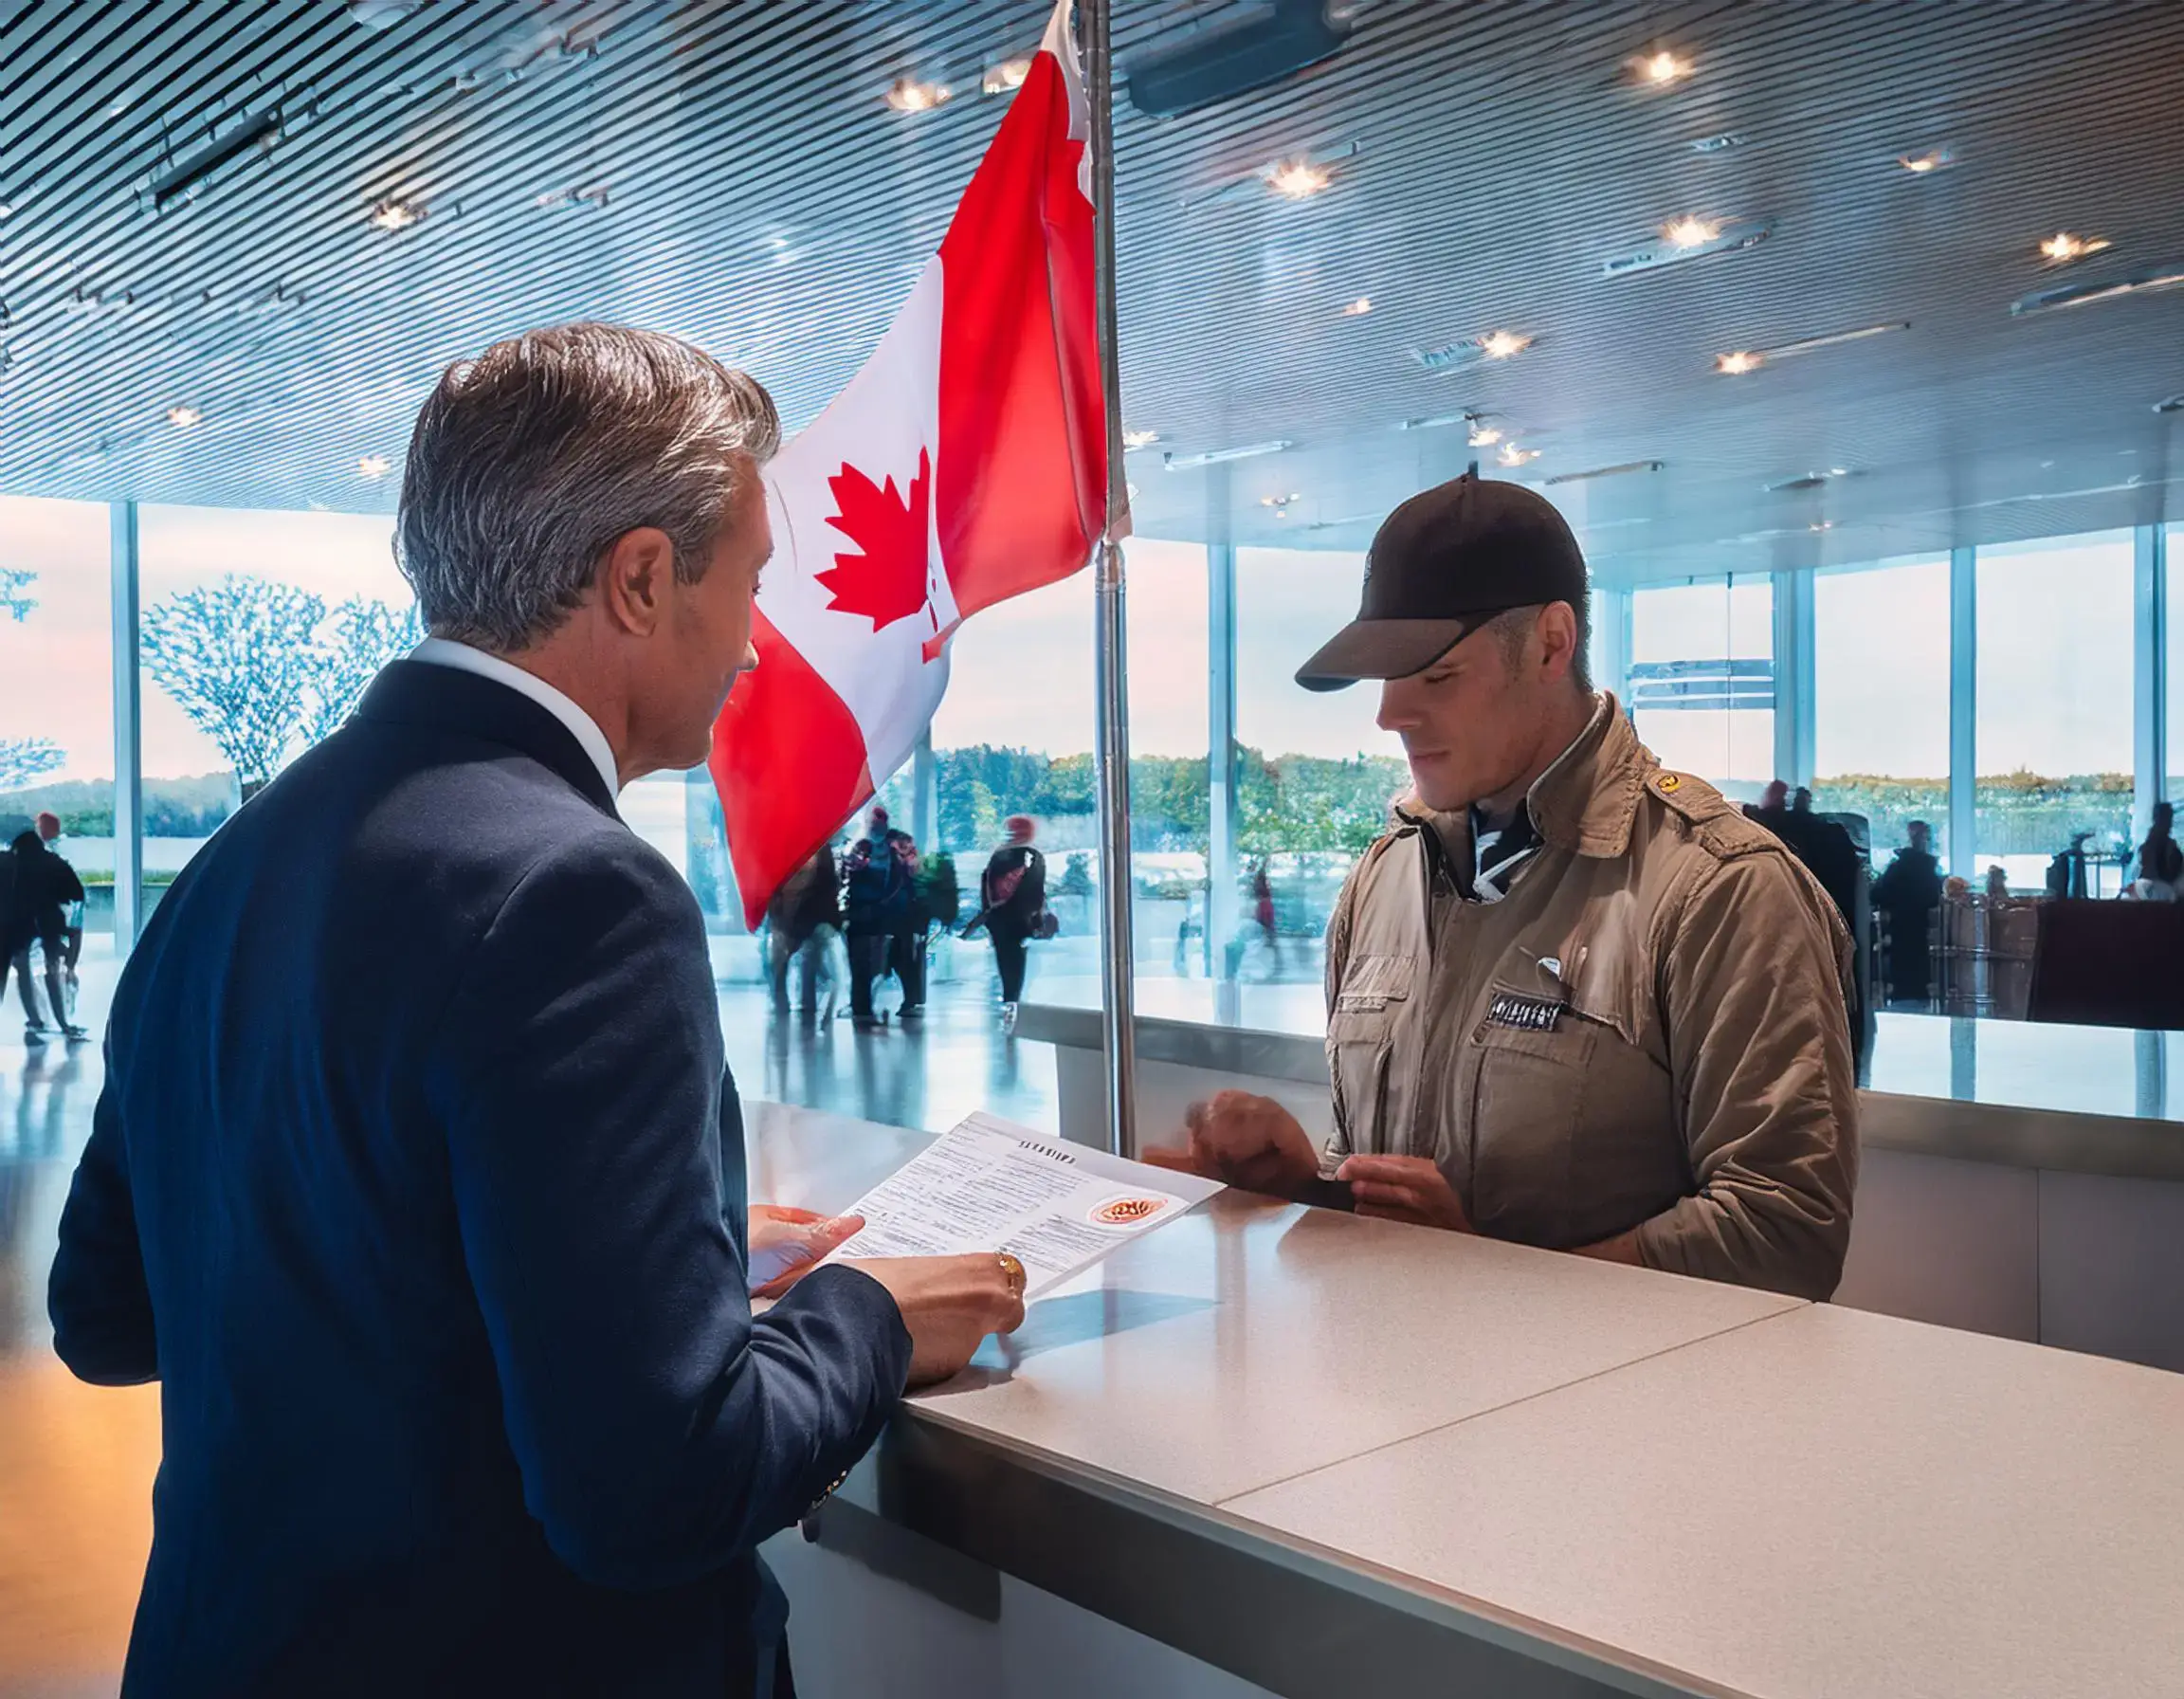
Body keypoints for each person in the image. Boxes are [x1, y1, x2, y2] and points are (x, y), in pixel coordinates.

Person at [47, 323, 1025, 1699]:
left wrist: (614, 1265)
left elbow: (108, 1313)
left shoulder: (232, 865)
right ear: (639, 578)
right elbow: (652, 1492)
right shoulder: (580, 895)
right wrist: (859, 1311)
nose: (754, 646)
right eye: (748, 584)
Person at [1155, 472, 1858, 1302]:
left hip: (1612, 1422)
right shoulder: (1383, 880)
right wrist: (1308, 1183)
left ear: (1552, 645)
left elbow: (1785, 1233)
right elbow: (1392, 1186)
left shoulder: (1719, 889)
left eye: (1437, 678)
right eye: (1385, 678)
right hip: (1391, 1404)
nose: (1389, 714)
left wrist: (1488, 1276)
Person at [5, 813, 87, 1045]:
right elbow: (76, 894)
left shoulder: (9, 864)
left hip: (16, 923)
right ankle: (63, 1023)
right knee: (53, 969)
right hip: (49, 920)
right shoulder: (55, 863)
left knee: (22, 969)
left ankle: (35, 1019)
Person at [973, 815, 1046, 1032]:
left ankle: (1009, 998)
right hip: (1020, 918)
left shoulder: (999, 855)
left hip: (999, 917)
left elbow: (986, 885)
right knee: (1016, 960)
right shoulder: (1032, 856)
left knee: (1005, 959)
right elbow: (1036, 890)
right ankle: (1013, 998)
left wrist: (989, 909)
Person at [841, 809, 910, 1029]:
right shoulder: (863, 848)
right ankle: (862, 1007)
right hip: (866, 916)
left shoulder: (891, 851)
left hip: (878, 917)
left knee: (873, 965)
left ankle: (864, 1006)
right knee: (864, 964)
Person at [1872, 821, 1946, 1003]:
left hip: (1899, 931)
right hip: (1921, 932)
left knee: (1903, 985)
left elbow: (1877, 895)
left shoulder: (1896, 869)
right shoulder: (1929, 871)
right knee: (1918, 983)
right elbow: (1934, 898)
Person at [764, 843, 841, 1014]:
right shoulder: (784, 851)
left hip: (809, 916)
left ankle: (805, 1003)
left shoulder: (819, 849)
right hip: (786, 917)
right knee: (779, 960)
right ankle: (783, 1002)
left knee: (809, 959)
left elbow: (829, 887)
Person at [884, 829, 928, 1019]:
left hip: (903, 919)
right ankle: (912, 1000)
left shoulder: (903, 863)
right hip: (907, 919)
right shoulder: (912, 862)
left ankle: (911, 1000)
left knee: (902, 961)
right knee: (905, 961)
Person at [2130, 801, 2182, 901]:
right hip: (2154, 885)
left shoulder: (2168, 843)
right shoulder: (2152, 844)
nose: (2170, 823)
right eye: (2167, 818)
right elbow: (2153, 872)